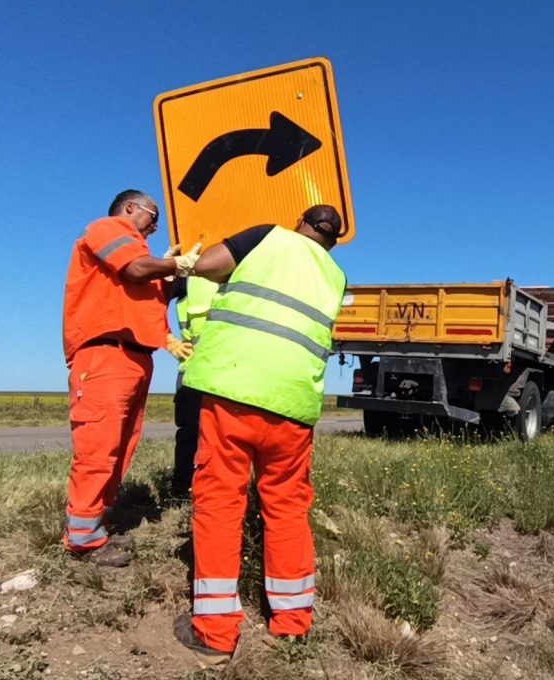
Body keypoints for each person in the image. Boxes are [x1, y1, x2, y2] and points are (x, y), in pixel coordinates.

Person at [173, 205, 347, 661]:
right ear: (333, 239)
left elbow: (210, 265)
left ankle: (214, 633)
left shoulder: (269, 236)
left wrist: (187, 263)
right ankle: (291, 625)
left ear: (301, 224)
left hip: (234, 389)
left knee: (220, 503)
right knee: (287, 509)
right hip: (293, 406)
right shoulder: (335, 275)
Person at [61, 190, 201, 567]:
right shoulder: (110, 229)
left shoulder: (140, 253)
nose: (155, 226)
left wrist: (169, 273)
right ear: (129, 208)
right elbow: (136, 270)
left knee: (120, 446)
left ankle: (94, 520)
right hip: (106, 354)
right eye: (151, 217)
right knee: (99, 446)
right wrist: (172, 265)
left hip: (135, 357)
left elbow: (151, 295)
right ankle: (83, 538)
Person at [168, 275, 219, 499]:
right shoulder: (188, 276)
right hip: (193, 371)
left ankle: (216, 490)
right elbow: (147, 302)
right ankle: (182, 489)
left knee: (226, 435)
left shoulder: (243, 265)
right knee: (190, 433)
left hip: (230, 370)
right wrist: (167, 339)